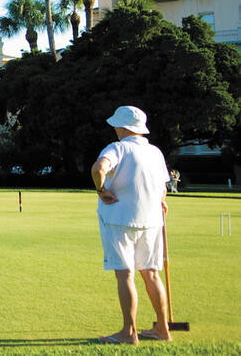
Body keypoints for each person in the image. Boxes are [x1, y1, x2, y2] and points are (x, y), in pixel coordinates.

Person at [91, 106, 171, 344]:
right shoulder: (155, 152)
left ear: (122, 127)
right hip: (152, 219)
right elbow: (163, 187)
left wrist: (101, 189)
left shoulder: (117, 148)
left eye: (116, 125)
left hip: (119, 219)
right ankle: (162, 329)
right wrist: (161, 202)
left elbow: (98, 168)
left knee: (125, 275)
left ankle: (129, 332)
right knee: (151, 274)